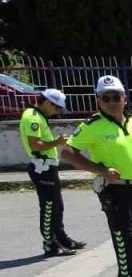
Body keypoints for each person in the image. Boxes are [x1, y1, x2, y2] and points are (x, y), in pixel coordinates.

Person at [61, 76, 132, 277]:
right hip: (114, 191)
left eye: (115, 96)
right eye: (105, 97)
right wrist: (100, 170)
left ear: (124, 98)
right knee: (126, 241)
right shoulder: (92, 125)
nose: (111, 102)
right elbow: (67, 152)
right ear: (98, 100)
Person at [20, 88, 86, 257]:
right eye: (57, 107)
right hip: (41, 167)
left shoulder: (39, 116)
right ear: (48, 102)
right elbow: (35, 145)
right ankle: (50, 244)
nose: (57, 111)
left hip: (48, 167)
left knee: (57, 205)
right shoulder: (32, 117)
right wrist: (56, 142)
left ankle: (61, 238)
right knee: (49, 207)